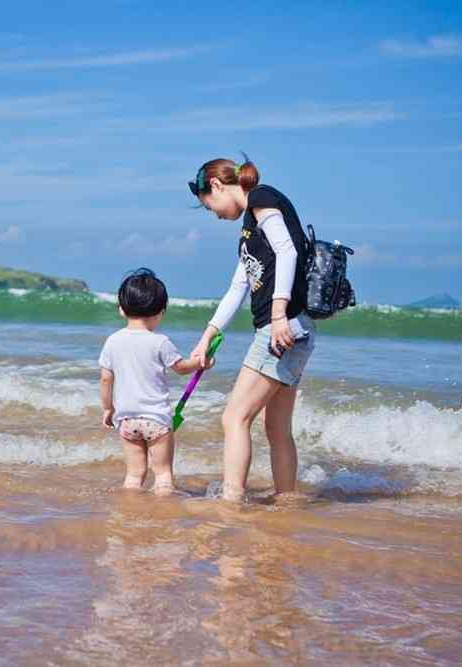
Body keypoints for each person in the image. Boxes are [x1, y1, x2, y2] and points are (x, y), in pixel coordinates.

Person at [188, 157, 315, 502]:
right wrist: (207, 336)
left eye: (209, 204)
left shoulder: (261, 199)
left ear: (216, 185)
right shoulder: (248, 228)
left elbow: (287, 251)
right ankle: (287, 501)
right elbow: (237, 288)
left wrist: (276, 314)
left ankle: (231, 501)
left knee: (234, 418)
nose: (213, 213)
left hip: (281, 329)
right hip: (292, 329)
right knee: (276, 428)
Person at [98, 268, 214, 495]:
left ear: (121, 309)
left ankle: (130, 513)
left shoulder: (112, 341)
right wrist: (200, 363)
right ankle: (162, 519)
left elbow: (105, 379)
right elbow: (181, 368)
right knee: (162, 475)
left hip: (127, 420)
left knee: (134, 475)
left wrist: (107, 408)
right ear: (161, 311)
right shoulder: (160, 342)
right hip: (157, 421)